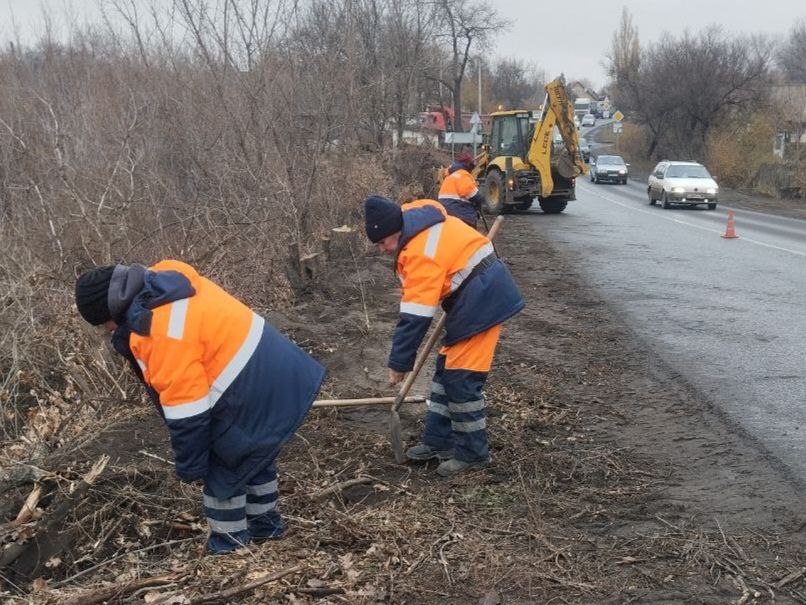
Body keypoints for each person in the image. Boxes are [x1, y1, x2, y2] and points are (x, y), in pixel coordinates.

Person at [74, 260, 325, 554]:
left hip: (249, 385)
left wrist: (192, 464)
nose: (108, 330)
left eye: (105, 324)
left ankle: (230, 550)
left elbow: (188, 413)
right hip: (279, 372)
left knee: (223, 469)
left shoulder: (156, 328)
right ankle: (267, 532)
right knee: (256, 457)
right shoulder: (163, 283)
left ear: (111, 312)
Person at [364, 195, 524, 476]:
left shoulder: (420, 252)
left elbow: (415, 317)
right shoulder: (412, 221)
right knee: (445, 369)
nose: (381, 250)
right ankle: (439, 442)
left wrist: (398, 364)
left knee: (462, 376)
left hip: (485, 298)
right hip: (470, 296)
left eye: (383, 243)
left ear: (396, 232)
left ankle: (473, 453)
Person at [437, 151, 488, 228]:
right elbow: (471, 194)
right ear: (468, 165)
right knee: (469, 233)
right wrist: (482, 197)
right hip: (459, 212)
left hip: (446, 211)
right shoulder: (462, 175)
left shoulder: (451, 176)